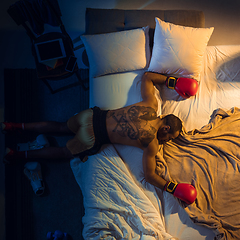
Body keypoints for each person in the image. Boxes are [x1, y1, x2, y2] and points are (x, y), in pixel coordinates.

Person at [2, 72, 198, 204]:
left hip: (91, 116)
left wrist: (175, 82)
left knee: (61, 126)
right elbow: (150, 176)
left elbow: (147, 77)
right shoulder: (152, 144)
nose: (167, 142)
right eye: (169, 138)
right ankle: (16, 155)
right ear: (165, 128)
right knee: (63, 152)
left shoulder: (150, 104)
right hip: (92, 137)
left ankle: (12, 126)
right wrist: (173, 188)